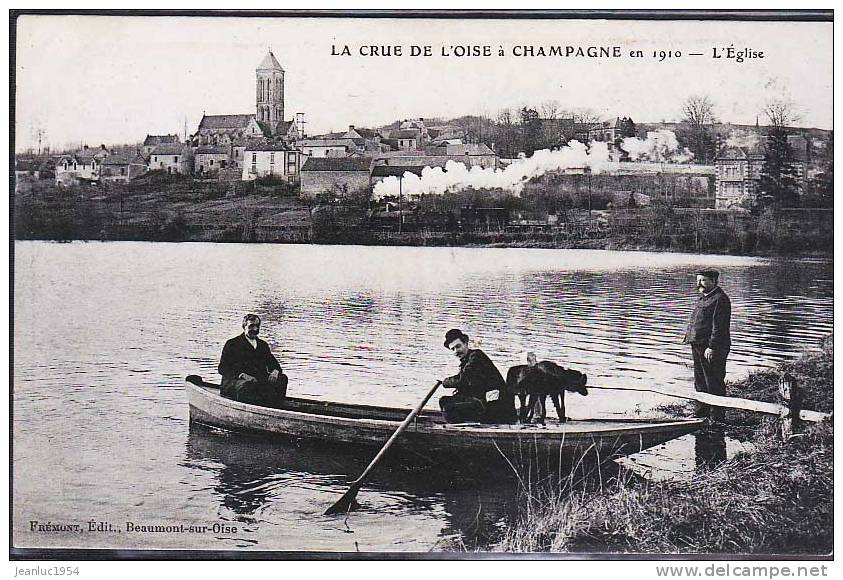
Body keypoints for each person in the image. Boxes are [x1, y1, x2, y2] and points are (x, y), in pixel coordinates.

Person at [438, 328, 516, 424]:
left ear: (466, 343)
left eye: (458, 346)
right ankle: (463, 426)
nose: (456, 351)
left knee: (448, 408)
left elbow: (462, 379)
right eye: (453, 349)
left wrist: (444, 382)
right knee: (444, 401)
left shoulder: (476, 357)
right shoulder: (466, 360)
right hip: (483, 401)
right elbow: (469, 385)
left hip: (498, 409)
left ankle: (462, 431)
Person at [683, 269, 731, 420]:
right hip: (697, 344)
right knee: (700, 381)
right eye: (698, 280)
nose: (699, 284)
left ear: (714, 281)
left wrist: (712, 347)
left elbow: (719, 327)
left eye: (703, 280)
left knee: (714, 381)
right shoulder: (705, 298)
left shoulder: (720, 299)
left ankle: (717, 416)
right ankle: (701, 413)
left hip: (710, 348)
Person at [218, 314, 288, 407]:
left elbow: (273, 364)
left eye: (257, 326)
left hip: (257, 381)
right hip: (234, 382)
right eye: (251, 326)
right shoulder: (232, 344)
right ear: (244, 326)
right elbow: (223, 368)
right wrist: (241, 375)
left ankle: (276, 408)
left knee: (282, 379)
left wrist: (275, 371)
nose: (255, 329)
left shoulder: (262, 345)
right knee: (247, 385)